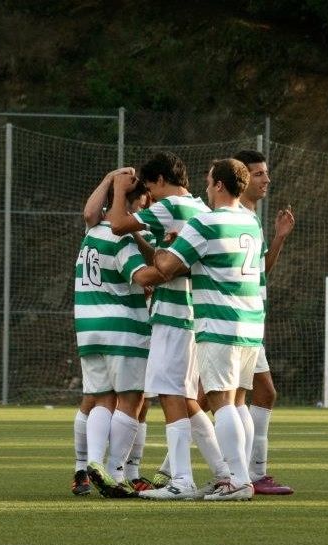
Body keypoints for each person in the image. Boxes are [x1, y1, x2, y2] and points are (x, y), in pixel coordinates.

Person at [134, 158, 265, 500]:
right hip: (252, 322)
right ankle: (234, 477)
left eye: (209, 182)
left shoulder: (206, 223)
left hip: (219, 322)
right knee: (236, 402)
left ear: (219, 185)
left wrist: (162, 246)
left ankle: (237, 480)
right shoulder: (252, 222)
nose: (205, 188)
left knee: (221, 401)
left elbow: (166, 267)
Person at [107, 152, 227, 500]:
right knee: (187, 400)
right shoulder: (202, 211)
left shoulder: (172, 206)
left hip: (174, 316)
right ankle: (223, 473)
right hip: (192, 313)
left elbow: (116, 223)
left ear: (160, 181)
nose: (149, 196)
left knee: (171, 395)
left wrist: (118, 189)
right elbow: (168, 259)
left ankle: (182, 481)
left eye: (150, 188)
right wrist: (147, 242)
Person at [74, 170, 155, 499]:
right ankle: (118, 472)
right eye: (143, 206)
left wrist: (109, 180)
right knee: (132, 399)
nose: (145, 213)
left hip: (88, 328)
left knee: (102, 400)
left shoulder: (92, 232)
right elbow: (140, 275)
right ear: (130, 205)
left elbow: (91, 211)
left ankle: (94, 463)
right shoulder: (123, 239)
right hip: (123, 328)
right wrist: (172, 268)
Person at [230, 149, 296, 495]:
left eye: (266, 173)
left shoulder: (251, 218)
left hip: (250, 323)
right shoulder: (231, 216)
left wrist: (280, 237)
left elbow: (260, 273)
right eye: (258, 174)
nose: (266, 179)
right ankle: (241, 474)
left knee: (253, 395)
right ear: (240, 179)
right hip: (233, 323)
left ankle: (249, 473)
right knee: (216, 399)